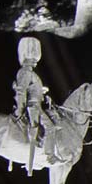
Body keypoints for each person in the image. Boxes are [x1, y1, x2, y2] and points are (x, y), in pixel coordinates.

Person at [11, 37, 55, 165]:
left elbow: (31, 88)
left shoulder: (30, 73)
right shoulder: (25, 72)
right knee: (51, 127)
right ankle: (49, 156)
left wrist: (41, 90)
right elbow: (21, 91)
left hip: (36, 104)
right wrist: (20, 109)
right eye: (32, 59)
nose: (34, 62)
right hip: (33, 107)